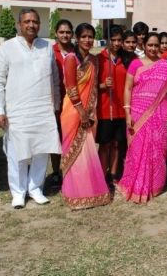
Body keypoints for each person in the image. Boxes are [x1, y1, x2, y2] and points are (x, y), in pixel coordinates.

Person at [0, 8, 61, 209]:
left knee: (41, 151)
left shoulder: (47, 47)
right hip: (17, 110)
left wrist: (55, 105)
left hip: (43, 109)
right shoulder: (6, 48)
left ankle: (35, 188)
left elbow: (54, 79)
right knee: (17, 153)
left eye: (35, 21)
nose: (31, 25)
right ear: (19, 24)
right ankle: (18, 192)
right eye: (27, 21)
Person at [119, 32, 167, 203]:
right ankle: (136, 185)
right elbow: (128, 89)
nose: (153, 48)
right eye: (150, 45)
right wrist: (127, 112)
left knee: (157, 148)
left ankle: (155, 185)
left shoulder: (166, 66)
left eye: (156, 45)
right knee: (137, 149)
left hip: (160, 113)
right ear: (143, 45)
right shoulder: (135, 64)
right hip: (138, 113)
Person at [60, 23, 112, 210]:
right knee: (74, 152)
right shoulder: (71, 59)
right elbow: (72, 89)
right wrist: (82, 113)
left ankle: (88, 191)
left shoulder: (94, 60)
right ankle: (74, 192)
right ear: (77, 37)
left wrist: (105, 85)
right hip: (73, 112)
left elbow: (94, 87)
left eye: (91, 36)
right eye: (84, 36)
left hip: (89, 111)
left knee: (87, 151)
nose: (88, 40)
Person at [97, 25, 127, 185]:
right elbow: (89, 85)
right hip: (104, 109)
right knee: (105, 144)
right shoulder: (99, 59)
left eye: (119, 40)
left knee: (117, 143)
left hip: (122, 109)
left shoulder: (126, 59)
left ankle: (114, 173)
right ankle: (102, 173)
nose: (116, 43)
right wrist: (102, 85)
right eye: (113, 40)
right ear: (107, 40)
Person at [48, 19, 74, 189]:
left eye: (68, 32)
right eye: (61, 32)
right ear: (56, 33)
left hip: (73, 103)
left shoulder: (77, 51)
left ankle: (73, 170)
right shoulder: (49, 52)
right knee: (56, 138)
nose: (65, 35)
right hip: (55, 102)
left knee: (72, 138)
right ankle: (56, 171)